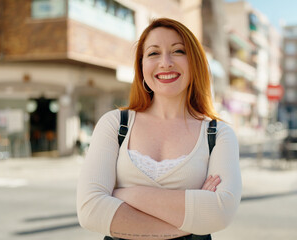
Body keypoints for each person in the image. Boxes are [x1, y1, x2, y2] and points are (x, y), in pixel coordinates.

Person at [76, 18, 242, 240]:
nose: (165, 62)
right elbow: (90, 211)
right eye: (153, 53)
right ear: (141, 65)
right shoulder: (115, 124)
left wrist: (124, 195)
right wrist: (191, 219)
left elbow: (220, 212)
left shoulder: (218, 134)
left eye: (178, 51)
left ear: (194, 62)